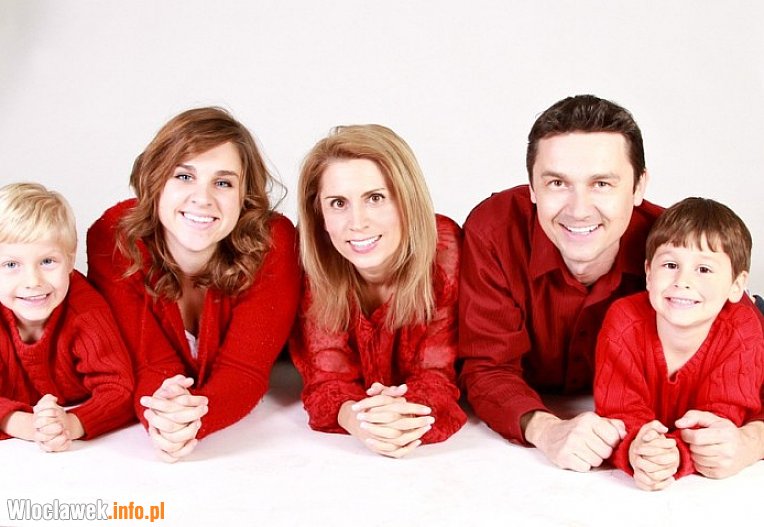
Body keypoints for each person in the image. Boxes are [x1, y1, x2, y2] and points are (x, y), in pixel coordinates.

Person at [459, 94, 764, 476]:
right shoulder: (495, 232)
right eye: (557, 182)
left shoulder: (674, 253)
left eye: (602, 183)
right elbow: (487, 368)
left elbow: (746, 339)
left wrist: (752, 442)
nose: (579, 209)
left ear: (638, 186)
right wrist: (546, 430)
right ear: (533, 187)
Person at [87, 107, 300, 462]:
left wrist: (194, 421)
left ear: (244, 196)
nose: (203, 198)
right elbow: (150, 363)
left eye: (223, 183)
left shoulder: (273, 241)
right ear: (155, 180)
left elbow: (244, 370)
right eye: (184, 177)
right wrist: (161, 415)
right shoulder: (114, 238)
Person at [290, 124, 466, 458]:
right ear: (320, 214)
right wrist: (359, 420)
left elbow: (436, 375)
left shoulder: (444, 250)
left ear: (407, 200)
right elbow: (327, 379)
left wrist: (402, 420)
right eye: (338, 203)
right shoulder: (314, 260)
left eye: (375, 198)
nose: (357, 222)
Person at [594, 197, 764, 490]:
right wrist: (640, 449)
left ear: (737, 285)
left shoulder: (742, 330)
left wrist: (675, 457)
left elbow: (721, 420)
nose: (682, 281)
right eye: (671, 264)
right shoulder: (623, 322)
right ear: (649, 274)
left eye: (704, 269)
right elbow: (620, 410)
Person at [0, 182, 134, 451]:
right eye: (11, 264)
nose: (33, 281)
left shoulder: (86, 311)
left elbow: (120, 388)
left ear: (71, 261)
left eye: (47, 262)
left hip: (74, 422)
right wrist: (25, 424)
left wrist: (71, 424)